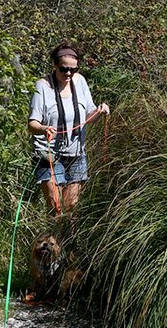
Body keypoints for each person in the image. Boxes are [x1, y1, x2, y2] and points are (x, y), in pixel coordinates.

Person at [28, 42, 110, 216]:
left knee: (71, 209)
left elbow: (89, 117)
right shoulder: (42, 86)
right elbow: (32, 124)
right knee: (56, 209)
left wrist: (100, 110)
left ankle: (65, 242)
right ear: (55, 65)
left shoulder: (80, 81)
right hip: (49, 154)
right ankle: (52, 241)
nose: (68, 74)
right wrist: (44, 129)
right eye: (64, 69)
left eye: (73, 69)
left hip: (76, 154)